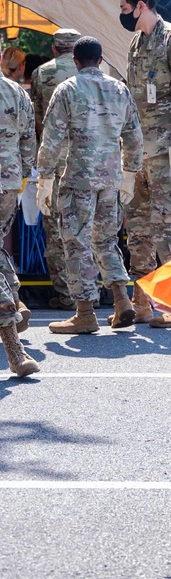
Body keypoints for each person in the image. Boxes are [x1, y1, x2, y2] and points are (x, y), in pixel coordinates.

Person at [36, 37, 144, 334]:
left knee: (76, 242)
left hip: (79, 178)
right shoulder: (119, 89)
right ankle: (122, 301)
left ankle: (85, 312)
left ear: (75, 61)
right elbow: (134, 136)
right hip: (111, 179)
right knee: (106, 240)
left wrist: (44, 179)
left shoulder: (68, 89)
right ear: (100, 60)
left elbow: (52, 138)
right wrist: (130, 173)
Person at [118, 0, 171, 328]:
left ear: (140, 6)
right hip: (140, 151)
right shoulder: (137, 42)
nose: (120, 14)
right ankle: (142, 304)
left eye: (123, 8)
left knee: (168, 228)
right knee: (138, 229)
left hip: (167, 150)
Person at [29, 28, 82, 311]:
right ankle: (90, 293)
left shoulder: (41, 74)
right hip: (89, 160)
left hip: (55, 158)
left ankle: (66, 294)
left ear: (54, 49)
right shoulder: (96, 74)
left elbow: (40, 120)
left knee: (56, 225)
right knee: (87, 227)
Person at [0, 64, 40, 377]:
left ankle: (15, 350)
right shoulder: (15, 90)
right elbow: (29, 137)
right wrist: (24, 174)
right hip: (9, 182)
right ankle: (16, 298)